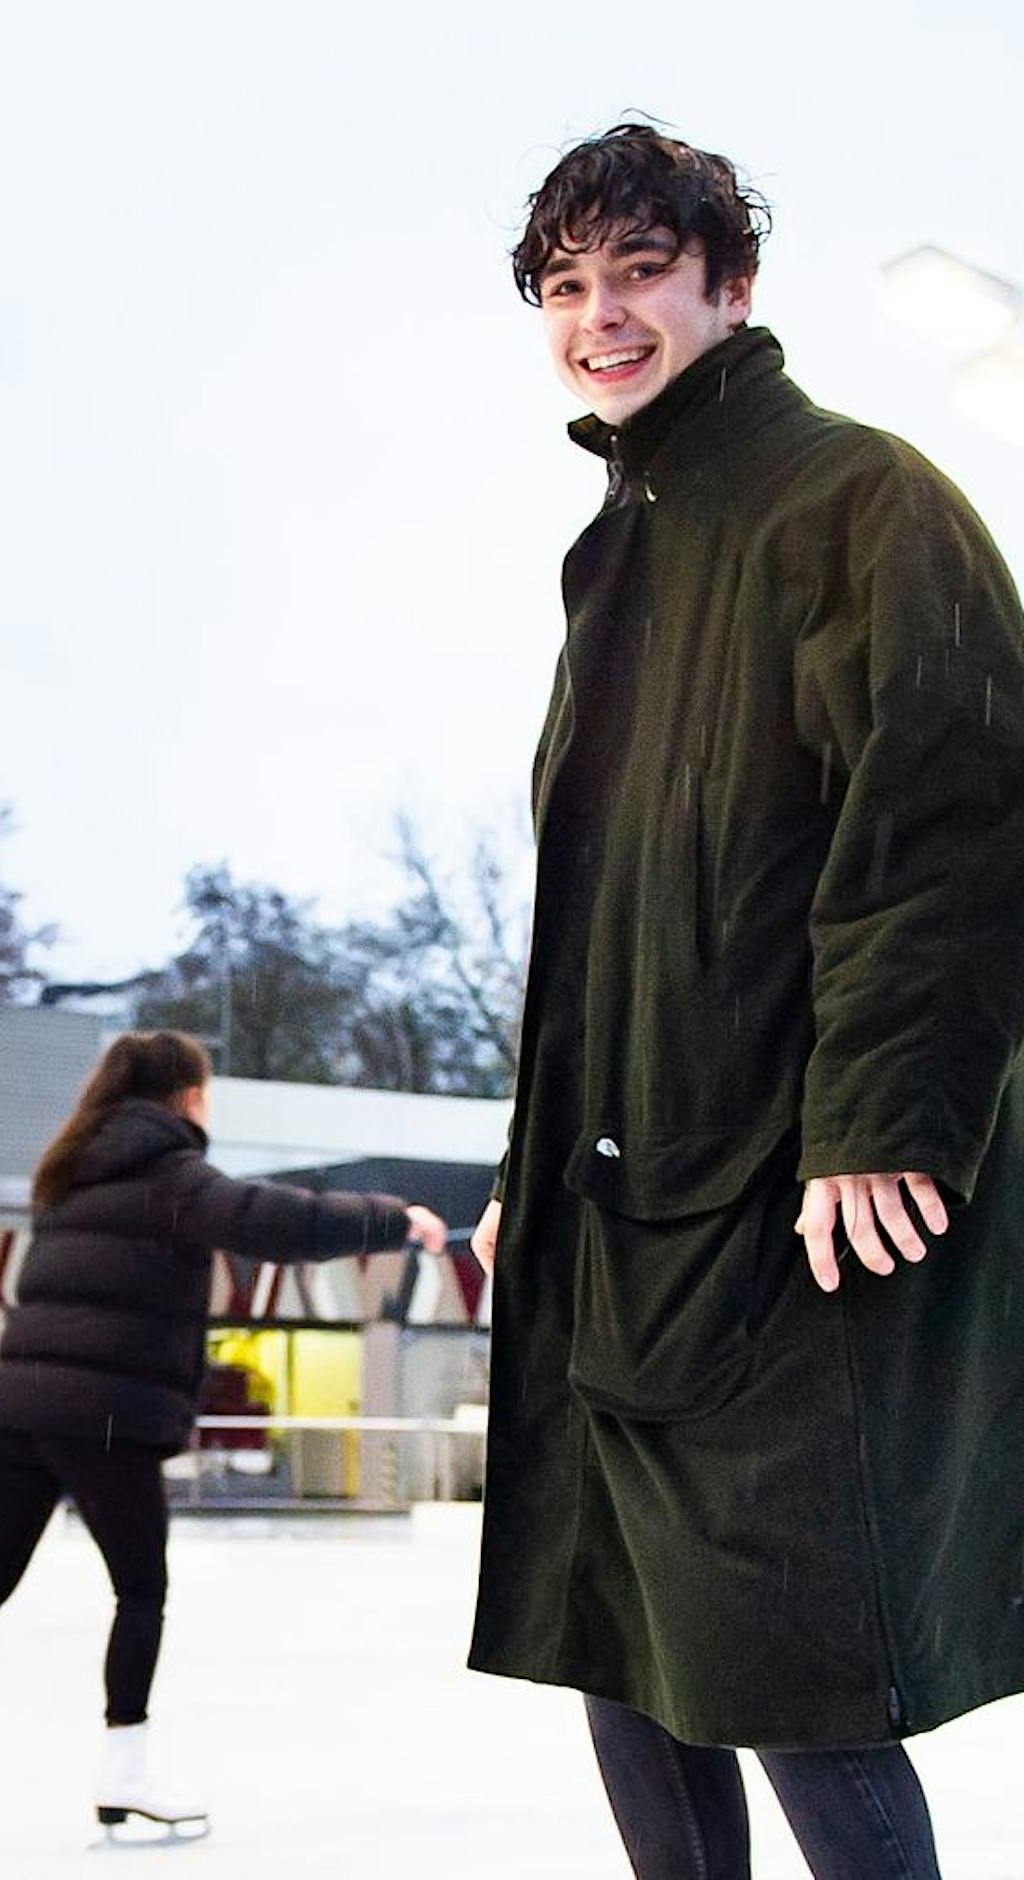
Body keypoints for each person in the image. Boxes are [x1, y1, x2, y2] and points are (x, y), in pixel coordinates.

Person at [469, 122, 1024, 1878]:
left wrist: (881, 1117)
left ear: (732, 285)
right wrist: (534, 1169)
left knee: (786, 1656)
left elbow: (953, 816)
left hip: (786, 1199)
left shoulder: (857, 499)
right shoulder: (616, 551)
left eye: (641, 272)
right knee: (620, 1642)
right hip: (616, 1198)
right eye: (568, 286)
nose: (601, 317)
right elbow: (605, 926)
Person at [0, 1029, 446, 1838]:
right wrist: (393, 1220)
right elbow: (280, 1223)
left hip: (20, 1407)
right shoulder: (172, 1177)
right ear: (188, 1098)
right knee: (140, 1590)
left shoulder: (67, 1176)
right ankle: (123, 1771)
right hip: (104, 1418)